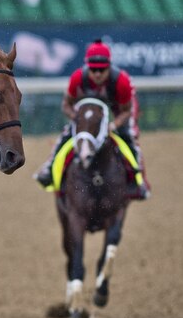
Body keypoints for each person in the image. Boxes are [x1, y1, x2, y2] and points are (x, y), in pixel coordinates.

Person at [33, 39, 150, 199]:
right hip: (88, 111)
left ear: (109, 67)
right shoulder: (78, 78)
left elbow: (127, 110)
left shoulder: (121, 82)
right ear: (87, 66)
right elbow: (66, 104)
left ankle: (138, 180)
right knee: (67, 134)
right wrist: (77, 118)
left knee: (129, 137)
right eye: (93, 69)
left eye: (102, 70)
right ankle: (49, 168)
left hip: (118, 109)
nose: (97, 74)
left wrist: (114, 125)